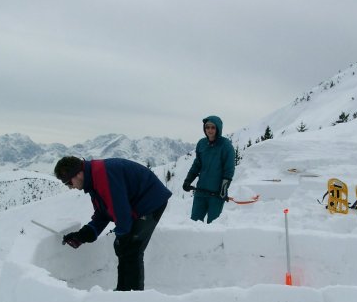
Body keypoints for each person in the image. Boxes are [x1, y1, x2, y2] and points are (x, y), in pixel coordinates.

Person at [54, 156, 172, 291]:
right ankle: (123, 291)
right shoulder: (93, 179)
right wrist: (83, 235)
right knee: (123, 246)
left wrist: (123, 234)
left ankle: (133, 297)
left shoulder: (102, 176)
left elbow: (120, 210)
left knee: (131, 248)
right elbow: (103, 212)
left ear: (79, 173)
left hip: (150, 202)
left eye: (69, 182)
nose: (70, 187)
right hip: (136, 204)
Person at [182, 115, 235, 223]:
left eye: (213, 127)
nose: (209, 130)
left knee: (213, 226)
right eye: (207, 127)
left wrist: (223, 189)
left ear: (218, 129)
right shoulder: (201, 144)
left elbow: (229, 170)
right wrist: (188, 180)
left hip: (216, 195)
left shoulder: (226, 146)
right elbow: (197, 165)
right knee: (194, 223)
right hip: (200, 192)